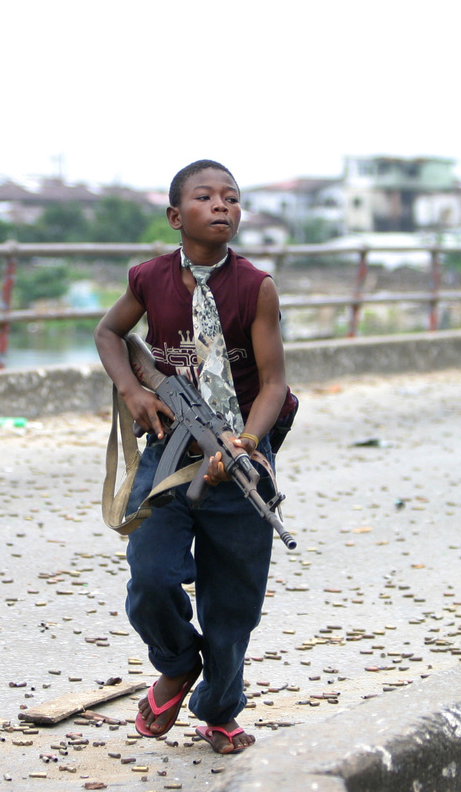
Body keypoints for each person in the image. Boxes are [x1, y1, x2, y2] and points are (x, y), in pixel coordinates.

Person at [94, 159, 293, 755]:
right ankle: (178, 664)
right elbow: (110, 334)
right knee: (151, 575)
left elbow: (276, 383)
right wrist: (132, 388)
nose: (222, 206)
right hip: (169, 453)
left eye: (232, 198)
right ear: (177, 217)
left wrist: (245, 445)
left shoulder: (255, 286)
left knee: (234, 608)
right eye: (206, 197)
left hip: (241, 457)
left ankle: (217, 708)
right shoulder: (148, 279)